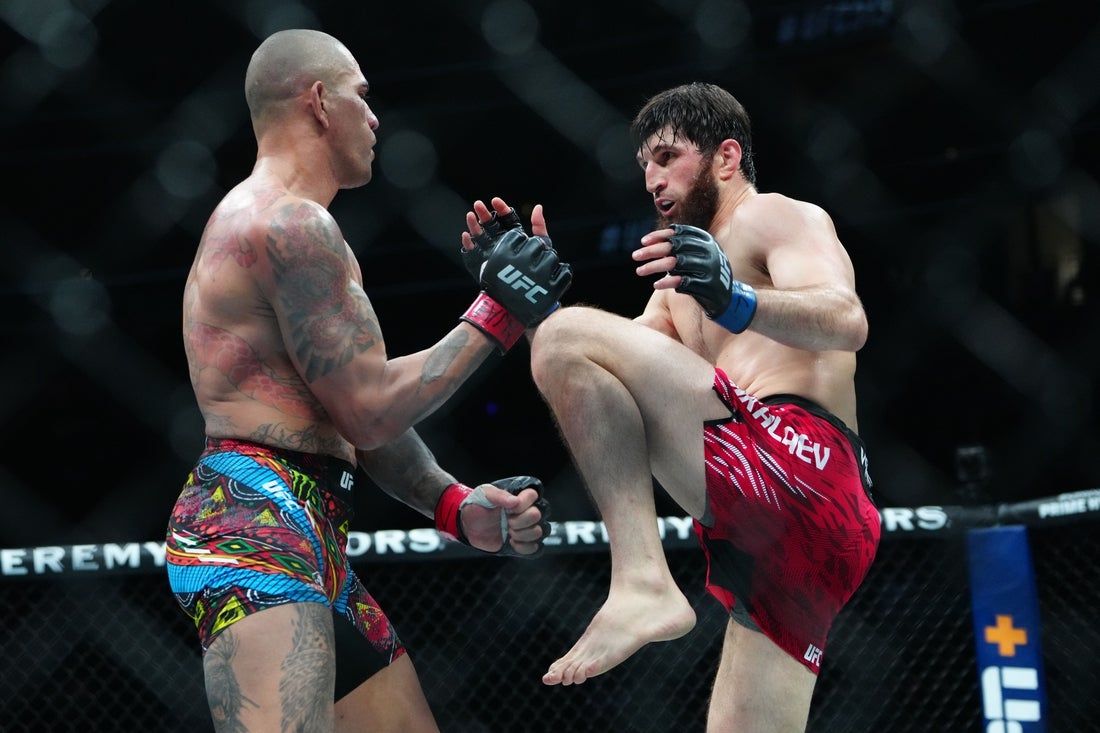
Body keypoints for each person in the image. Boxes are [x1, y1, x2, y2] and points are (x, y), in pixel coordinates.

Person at [164, 28, 570, 733]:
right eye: (363, 96)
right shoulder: (289, 224)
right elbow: (370, 409)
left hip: (307, 527)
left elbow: (347, 416)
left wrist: (451, 502)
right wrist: (496, 312)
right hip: (254, 524)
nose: (376, 118)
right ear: (320, 102)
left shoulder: (297, 227)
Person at [486, 82, 881, 731]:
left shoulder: (773, 215)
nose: (652, 178)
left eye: (667, 156)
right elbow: (601, 383)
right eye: (645, 164)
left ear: (726, 157)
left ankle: (643, 580)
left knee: (567, 334)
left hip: (805, 463)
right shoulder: (677, 286)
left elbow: (848, 319)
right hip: (785, 535)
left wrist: (737, 298)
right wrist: (536, 306)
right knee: (561, 334)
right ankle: (644, 583)